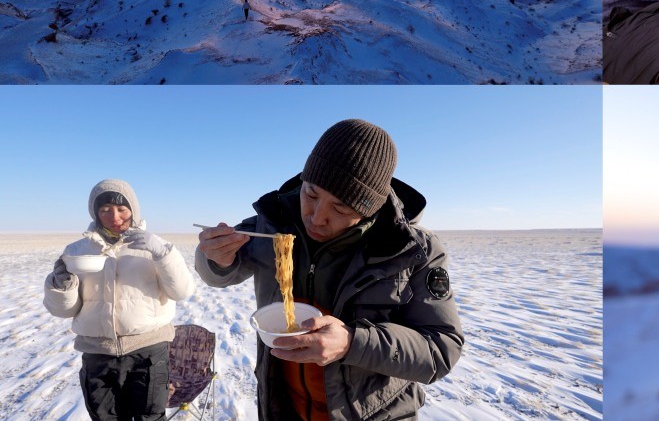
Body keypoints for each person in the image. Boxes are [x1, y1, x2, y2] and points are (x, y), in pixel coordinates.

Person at [196, 119, 463, 421]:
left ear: (369, 210)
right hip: (282, 408)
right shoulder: (272, 223)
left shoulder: (411, 250)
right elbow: (218, 275)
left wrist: (353, 342)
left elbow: (442, 349)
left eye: (341, 209)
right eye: (310, 195)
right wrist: (215, 257)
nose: (317, 217)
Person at [44, 179, 196, 421]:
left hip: (148, 353)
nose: (114, 216)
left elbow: (182, 291)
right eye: (104, 210)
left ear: (133, 210)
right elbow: (65, 310)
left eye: (121, 209)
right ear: (95, 213)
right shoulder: (76, 251)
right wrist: (61, 285)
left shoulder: (154, 246)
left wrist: (164, 254)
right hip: (98, 354)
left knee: (150, 418)